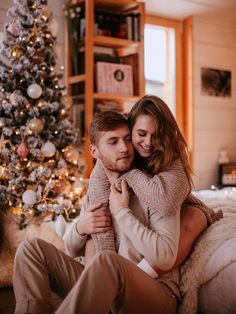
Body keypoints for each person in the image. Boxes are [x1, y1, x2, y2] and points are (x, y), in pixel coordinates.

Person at [14, 111, 182, 314]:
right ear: (94, 151)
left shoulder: (154, 190)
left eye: (127, 139)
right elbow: (70, 249)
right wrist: (80, 227)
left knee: (106, 260)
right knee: (30, 249)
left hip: (154, 291)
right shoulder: (97, 191)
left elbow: (164, 256)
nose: (125, 148)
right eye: (113, 142)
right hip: (99, 283)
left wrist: (121, 212)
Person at [86, 95, 223, 274]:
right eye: (141, 134)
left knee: (194, 218)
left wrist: (131, 174)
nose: (148, 143)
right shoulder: (116, 154)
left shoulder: (171, 156)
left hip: (177, 204)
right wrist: (107, 267)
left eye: (156, 135)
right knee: (92, 239)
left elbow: (166, 205)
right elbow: (100, 206)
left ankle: (144, 276)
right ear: (130, 128)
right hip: (150, 210)